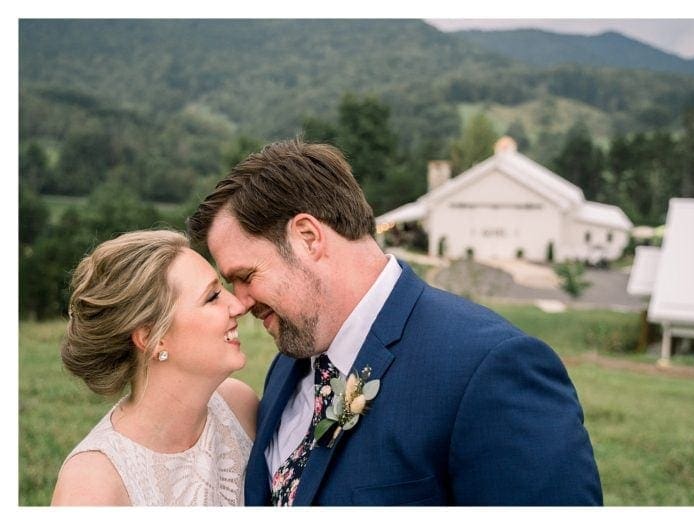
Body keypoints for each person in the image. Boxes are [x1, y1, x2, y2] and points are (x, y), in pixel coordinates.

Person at [187, 138, 603, 506]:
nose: (239, 303)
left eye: (245, 277)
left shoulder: (488, 369)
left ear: (308, 237)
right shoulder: (287, 368)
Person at [51, 230, 259, 506]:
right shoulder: (92, 484)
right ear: (151, 338)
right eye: (212, 297)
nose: (238, 305)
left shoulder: (239, 407)